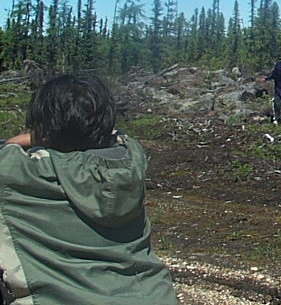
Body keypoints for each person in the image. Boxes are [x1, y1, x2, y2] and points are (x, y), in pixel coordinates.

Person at [0, 73, 177, 305]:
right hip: (154, 297)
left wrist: (30, 139)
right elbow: (115, 136)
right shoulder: (131, 159)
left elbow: (10, 149)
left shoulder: (17, 172)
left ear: (44, 136)